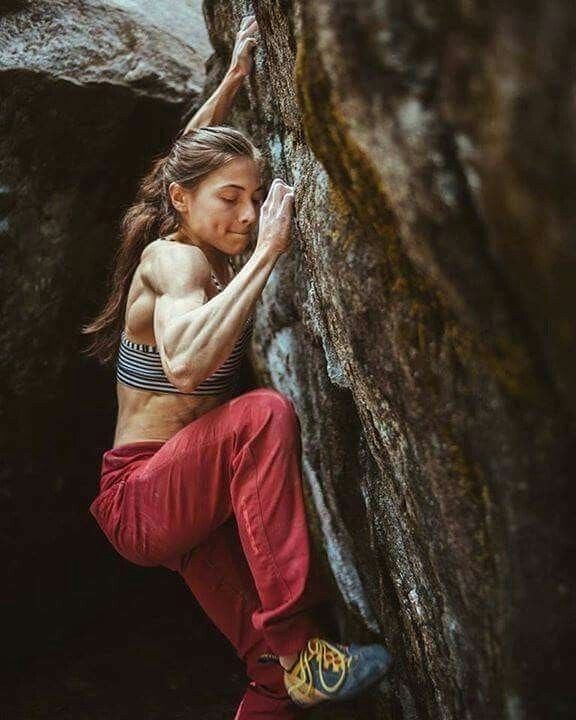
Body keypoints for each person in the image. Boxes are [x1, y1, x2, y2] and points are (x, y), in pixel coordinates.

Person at [82, 14, 391, 719]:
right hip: (144, 496)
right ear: (184, 204)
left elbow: (178, 165)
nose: (250, 214)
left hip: (191, 507)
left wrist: (232, 80)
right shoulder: (175, 258)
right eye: (233, 199)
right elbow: (187, 365)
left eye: (256, 199)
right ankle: (299, 641)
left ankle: (284, 666)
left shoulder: (193, 226)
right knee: (262, 417)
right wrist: (268, 252)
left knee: (268, 673)